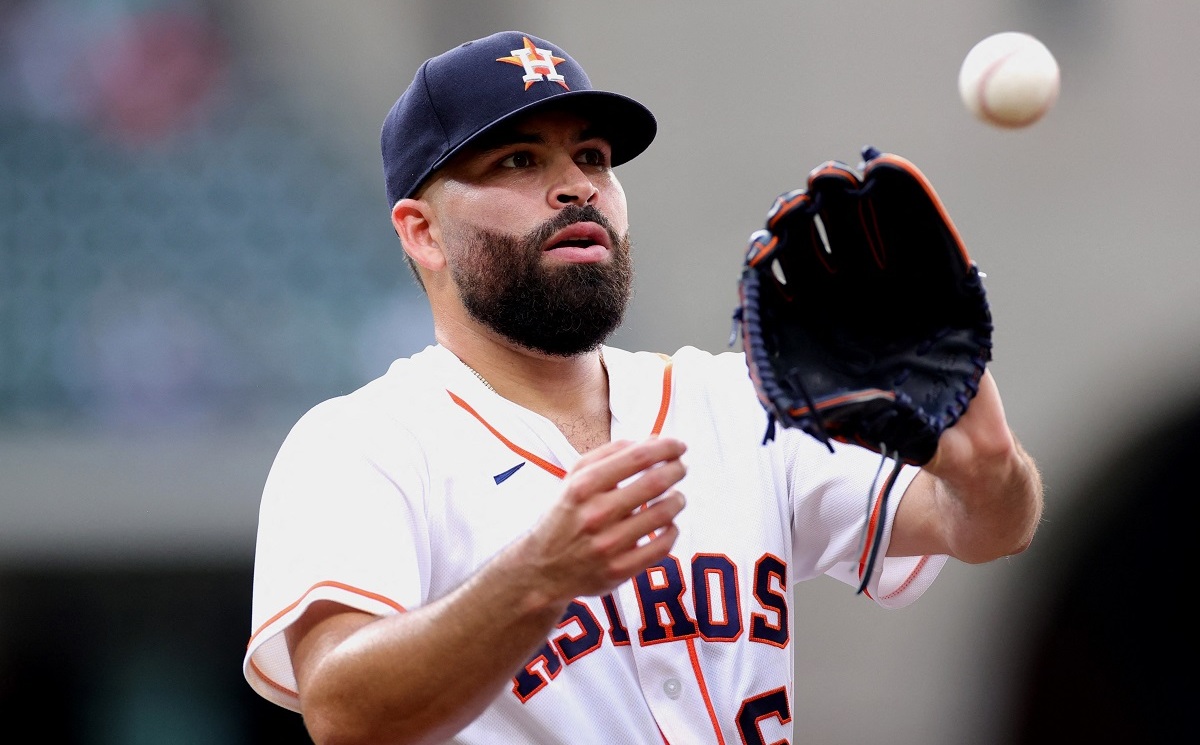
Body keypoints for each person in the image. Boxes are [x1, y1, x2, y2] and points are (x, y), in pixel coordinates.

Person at [242, 30, 1043, 745]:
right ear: (422, 232)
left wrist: (986, 460)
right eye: (520, 160)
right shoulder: (363, 445)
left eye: (591, 157)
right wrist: (536, 577)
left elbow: (986, 526)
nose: (576, 186)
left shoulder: (741, 401)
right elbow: (344, 712)